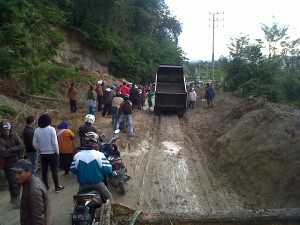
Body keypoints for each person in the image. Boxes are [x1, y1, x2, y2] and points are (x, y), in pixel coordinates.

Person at [70, 132, 113, 202]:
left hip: (83, 185)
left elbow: (73, 170)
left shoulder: (77, 155)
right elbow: (108, 170)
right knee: (109, 198)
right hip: (98, 184)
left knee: (78, 200)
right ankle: (111, 211)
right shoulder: (99, 155)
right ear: (96, 142)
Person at [12, 159, 53, 225]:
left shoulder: (33, 191)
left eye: (19, 173)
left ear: (29, 171)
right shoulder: (33, 181)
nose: (16, 176)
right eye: (15, 173)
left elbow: (37, 219)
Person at [32, 114, 65, 193]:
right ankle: (57, 187)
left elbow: (34, 143)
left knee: (44, 171)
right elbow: (54, 142)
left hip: (43, 154)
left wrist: (40, 150)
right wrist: (57, 152)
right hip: (52, 153)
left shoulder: (37, 130)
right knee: (54, 170)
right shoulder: (51, 129)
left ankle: (45, 186)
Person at [0, 121, 25, 209]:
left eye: (8, 129)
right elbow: (3, 153)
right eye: (5, 130)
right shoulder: (1, 140)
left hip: (17, 161)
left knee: (17, 181)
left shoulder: (14, 136)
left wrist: (11, 149)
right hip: (8, 164)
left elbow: (22, 145)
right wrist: (15, 150)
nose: (7, 131)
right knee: (13, 182)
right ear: (1, 130)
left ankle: (13, 198)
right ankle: (16, 202)